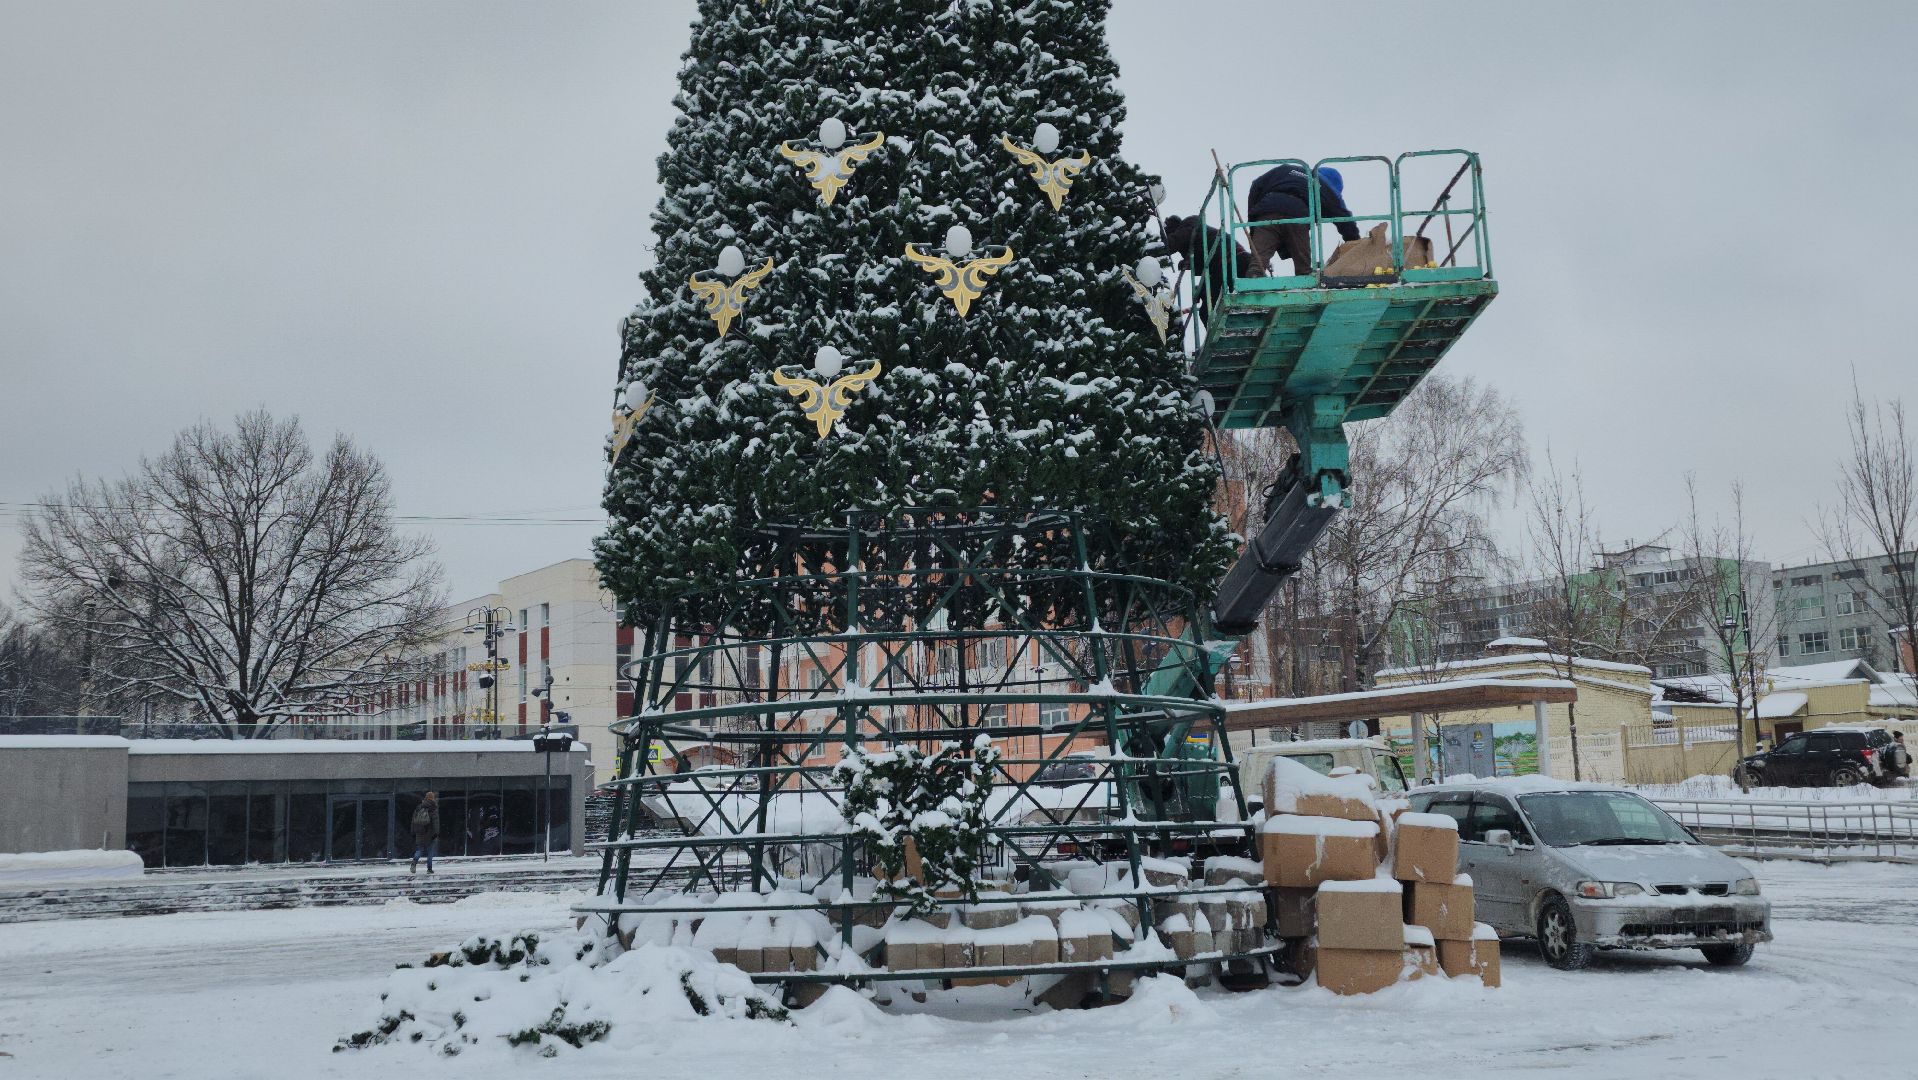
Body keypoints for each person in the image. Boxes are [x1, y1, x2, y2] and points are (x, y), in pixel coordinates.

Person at [1243, 164, 1361, 277]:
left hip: (1267, 210)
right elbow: (1342, 216)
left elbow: (1256, 186)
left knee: (1257, 265)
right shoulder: (1323, 185)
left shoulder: (1285, 169)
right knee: (1303, 269)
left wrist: (1254, 220)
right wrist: (1354, 242)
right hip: (1297, 214)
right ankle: (1304, 278)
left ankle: (1255, 274)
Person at [1161, 213, 1254, 330]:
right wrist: (1202, 291)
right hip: (1241, 262)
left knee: (1207, 312)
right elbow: (1209, 268)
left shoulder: (1188, 228)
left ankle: (1221, 340)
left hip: (1232, 263)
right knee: (1214, 307)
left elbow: (1169, 244)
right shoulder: (1202, 236)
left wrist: (1151, 249)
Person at [410, 791, 439, 874]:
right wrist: (436, 833)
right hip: (430, 834)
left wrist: (413, 832)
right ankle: (429, 869)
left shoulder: (419, 807)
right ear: (432, 798)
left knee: (419, 850)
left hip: (420, 833)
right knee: (430, 852)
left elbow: (413, 821)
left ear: (425, 797)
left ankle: (414, 862)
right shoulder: (433, 808)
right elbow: (435, 822)